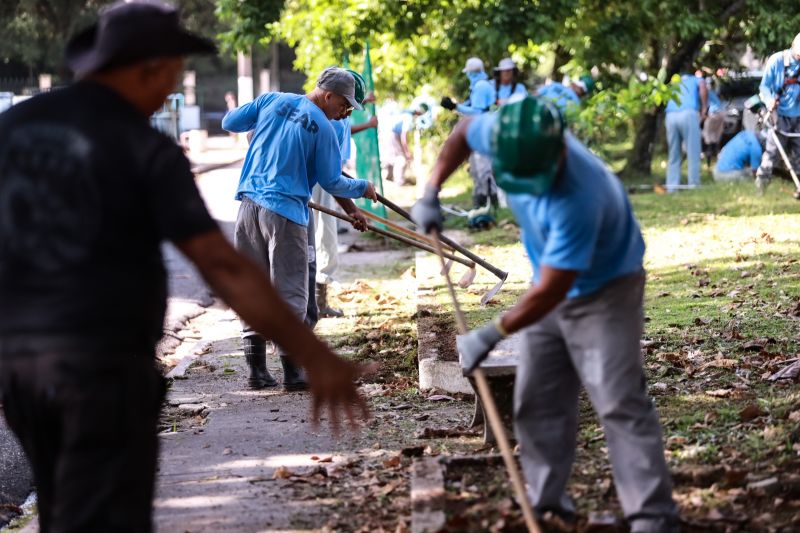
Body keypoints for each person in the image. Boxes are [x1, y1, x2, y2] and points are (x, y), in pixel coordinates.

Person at [0, 3, 372, 532]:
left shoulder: (15, 124)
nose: (173, 86)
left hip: (21, 366)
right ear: (145, 67)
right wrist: (317, 356)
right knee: (108, 509)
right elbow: (221, 266)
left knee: (62, 501)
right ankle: (282, 366)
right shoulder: (143, 148)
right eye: (174, 71)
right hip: (103, 369)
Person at [411, 96, 679, 533]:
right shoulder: (504, 133)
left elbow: (555, 288)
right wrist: (431, 190)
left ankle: (653, 517)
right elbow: (462, 131)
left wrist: (491, 333)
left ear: (559, 152)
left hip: (606, 290)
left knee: (619, 400)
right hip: (546, 284)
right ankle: (548, 501)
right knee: (537, 397)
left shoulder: (583, 193)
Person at [222, 67, 376, 391]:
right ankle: (293, 374)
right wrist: (363, 187)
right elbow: (332, 180)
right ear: (328, 94)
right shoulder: (323, 128)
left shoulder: (270, 100)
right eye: (345, 105)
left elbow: (230, 123)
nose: (345, 112)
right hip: (287, 214)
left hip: (248, 208)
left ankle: (257, 372)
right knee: (290, 290)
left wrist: (258, 131)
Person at [312, 69, 378, 318]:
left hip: (330, 176)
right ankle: (317, 303)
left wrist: (353, 207)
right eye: (347, 105)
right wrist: (356, 198)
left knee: (321, 238)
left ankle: (317, 301)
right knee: (322, 237)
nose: (347, 112)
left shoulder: (337, 111)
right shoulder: (329, 117)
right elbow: (329, 175)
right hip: (322, 179)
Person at [441, 56, 499, 222]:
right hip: (480, 132)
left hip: (483, 132)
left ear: (471, 72)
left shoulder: (481, 86)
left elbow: (478, 112)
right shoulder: (479, 86)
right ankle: (481, 206)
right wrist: (455, 106)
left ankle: (489, 207)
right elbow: (471, 107)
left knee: (483, 170)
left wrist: (455, 107)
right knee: (476, 170)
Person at [755, 32, 800, 194]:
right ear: (793, 48)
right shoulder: (777, 60)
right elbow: (764, 87)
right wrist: (769, 100)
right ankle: (761, 190)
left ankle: (797, 186)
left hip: (798, 115)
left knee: (799, 154)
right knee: (772, 152)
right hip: (778, 114)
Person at [664, 72, 708, 192]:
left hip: (670, 114)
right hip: (688, 113)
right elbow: (703, 87)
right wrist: (704, 108)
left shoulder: (674, 81)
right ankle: (693, 185)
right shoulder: (696, 79)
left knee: (673, 153)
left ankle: (672, 187)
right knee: (693, 151)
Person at [388, 102, 429, 186]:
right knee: (401, 158)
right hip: (394, 135)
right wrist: (407, 152)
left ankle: (393, 177)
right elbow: (404, 137)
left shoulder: (407, 113)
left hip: (393, 134)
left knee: (399, 158)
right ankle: (399, 181)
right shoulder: (409, 117)